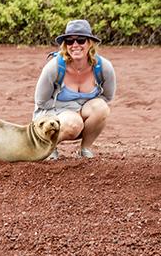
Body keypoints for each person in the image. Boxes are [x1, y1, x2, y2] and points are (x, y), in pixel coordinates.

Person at [33, 19, 116, 159]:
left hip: (79, 114)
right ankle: (47, 147)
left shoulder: (103, 67)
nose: (75, 45)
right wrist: (74, 111)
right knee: (73, 122)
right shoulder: (55, 67)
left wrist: (80, 111)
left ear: (90, 43)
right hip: (51, 113)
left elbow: (107, 96)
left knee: (101, 108)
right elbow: (41, 102)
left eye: (81, 40)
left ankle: (85, 149)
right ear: (65, 46)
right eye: (70, 41)